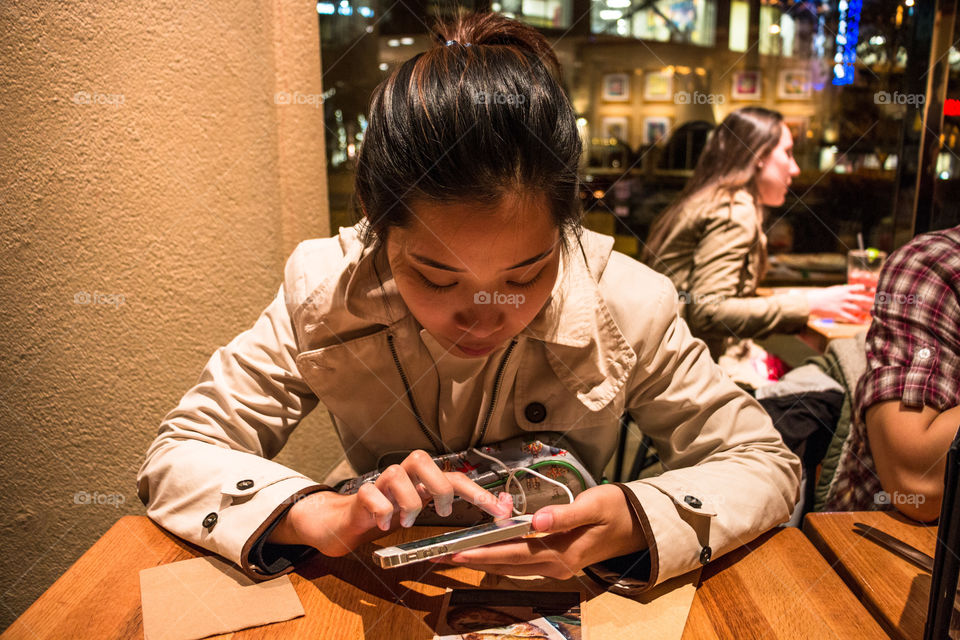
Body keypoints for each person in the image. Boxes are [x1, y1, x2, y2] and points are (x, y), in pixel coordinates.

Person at [136, 13, 800, 594]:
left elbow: (765, 464)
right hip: (383, 589)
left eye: (526, 273)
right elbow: (179, 455)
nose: (484, 315)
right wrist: (321, 516)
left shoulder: (628, 303)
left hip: (564, 595)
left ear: (567, 229)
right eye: (434, 275)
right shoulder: (326, 289)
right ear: (376, 225)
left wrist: (634, 518)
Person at [642, 107, 872, 390]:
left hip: (667, 369)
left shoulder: (708, 197)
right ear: (759, 156)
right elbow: (710, 311)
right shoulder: (734, 209)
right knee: (836, 392)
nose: (795, 168)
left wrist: (812, 298)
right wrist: (810, 305)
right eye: (787, 153)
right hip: (694, 378)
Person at [823, 224, 960, 521]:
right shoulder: (935, 263)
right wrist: (802, 304)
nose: (795, 171)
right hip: (892, 544)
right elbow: (916, 486)